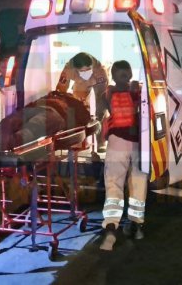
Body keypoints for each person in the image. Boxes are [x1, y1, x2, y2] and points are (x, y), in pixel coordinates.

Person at [98, 60, 146, 251]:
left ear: (113, 75)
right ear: (130, 74)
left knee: (114, 185)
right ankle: (137, 226)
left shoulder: (108, 93)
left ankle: (111, 230)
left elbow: (102, 110)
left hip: (117, 142)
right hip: (138, 143)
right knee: (138, 184)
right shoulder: (138, 92)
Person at [56, 52, 108, 120]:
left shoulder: (100, 72)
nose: (86, 72)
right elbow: (61, 90)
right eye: (82, 70)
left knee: (101, 105)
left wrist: (99, 118)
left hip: (95, 79)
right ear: (76, 69)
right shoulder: (68, 70)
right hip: (80, 82)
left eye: (88, 69)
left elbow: (102, 98)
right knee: (79, 104)